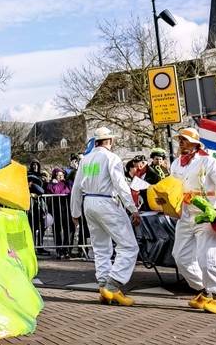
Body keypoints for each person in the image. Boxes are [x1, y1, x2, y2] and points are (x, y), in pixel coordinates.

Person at [171, 127, 216, 315]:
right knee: (180, 257)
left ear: (195, 144)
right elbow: (173, 188)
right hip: (185, 215)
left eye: (184, 139)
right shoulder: (176, 164)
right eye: (180, 139)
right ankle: (204, 290)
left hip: (207, 214)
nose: (181, 142)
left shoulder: (209, 162)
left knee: (208, 258)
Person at [70, 127, 139, 306]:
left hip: (89, 202)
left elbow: (76, 187)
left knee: (100, 247)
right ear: (110, 140)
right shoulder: (111, 157)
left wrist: (75, 212)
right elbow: (120, 184)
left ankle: (103, 286)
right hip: (107, 201)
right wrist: (132, 208)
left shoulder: (85, 159)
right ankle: (113, 285)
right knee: (129, 246)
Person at [47, 168, 74, 259]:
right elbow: (55, 191)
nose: (60, 177)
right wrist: (56, 184)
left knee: (68, 230)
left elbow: (69, 190)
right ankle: (59, 250)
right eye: (58, 175)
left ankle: (67, 250)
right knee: (57, 230)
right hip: (56, 210)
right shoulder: (51, 184)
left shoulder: (67, 183)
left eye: (62, 175)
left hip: (66, 210)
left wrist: (63, 185)